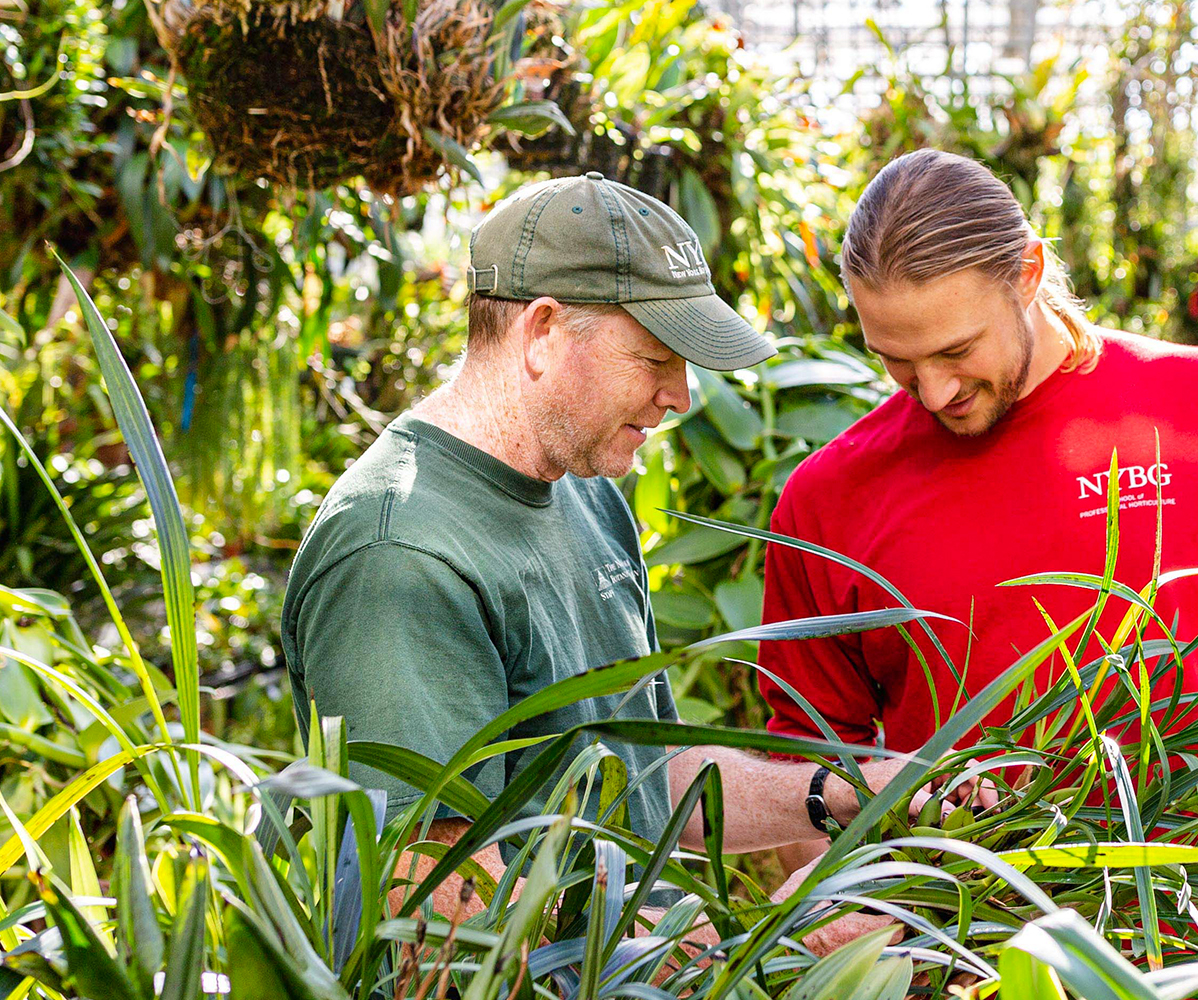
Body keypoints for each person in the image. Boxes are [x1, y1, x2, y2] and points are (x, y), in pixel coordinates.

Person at [280, 173, 907, 933]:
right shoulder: (401, 556)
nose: (681, 396)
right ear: (542, 331)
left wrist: (846, 792)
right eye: (654, 359)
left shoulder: (584, 488)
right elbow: (445, 933)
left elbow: (647, 776)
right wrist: (774, 949)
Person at [757, 149, 1198, 868]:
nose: (932, 392)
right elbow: (802, 771)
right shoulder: (828, 497)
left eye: (957, 350)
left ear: (1027, 273)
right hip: (959, 954)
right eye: (896, 360)